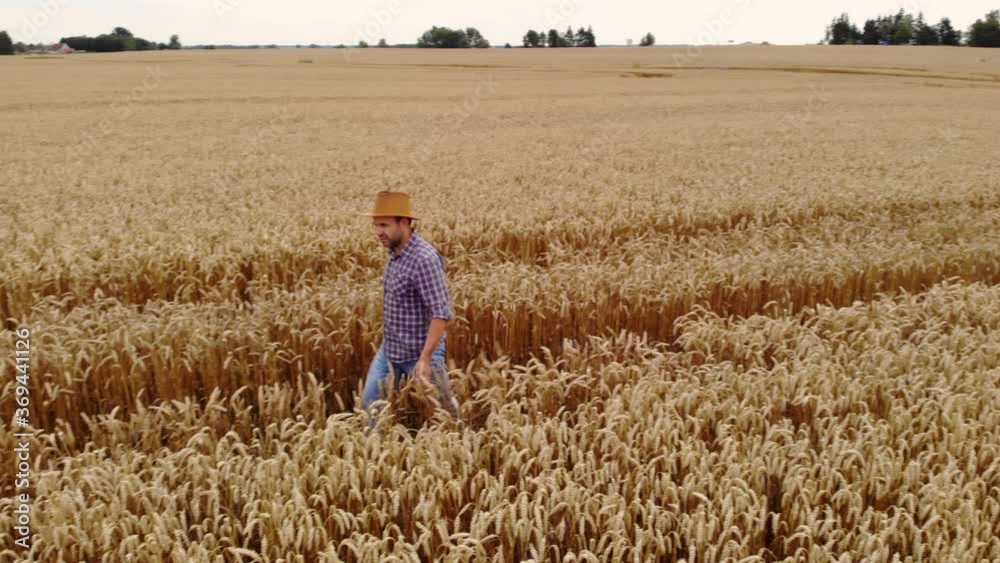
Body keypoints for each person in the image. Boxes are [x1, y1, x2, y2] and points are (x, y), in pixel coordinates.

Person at [359, 191, 460, 427]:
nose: (378, 232)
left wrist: (425, 359)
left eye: (384, 225)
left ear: (404, 222)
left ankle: (459, 442)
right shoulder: (395, 252)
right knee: (369, 409)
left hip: (420, 353)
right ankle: (371, 449)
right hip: (390, 352)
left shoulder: (423, 259)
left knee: (444, 414)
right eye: (376, 225)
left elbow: (440, 313)